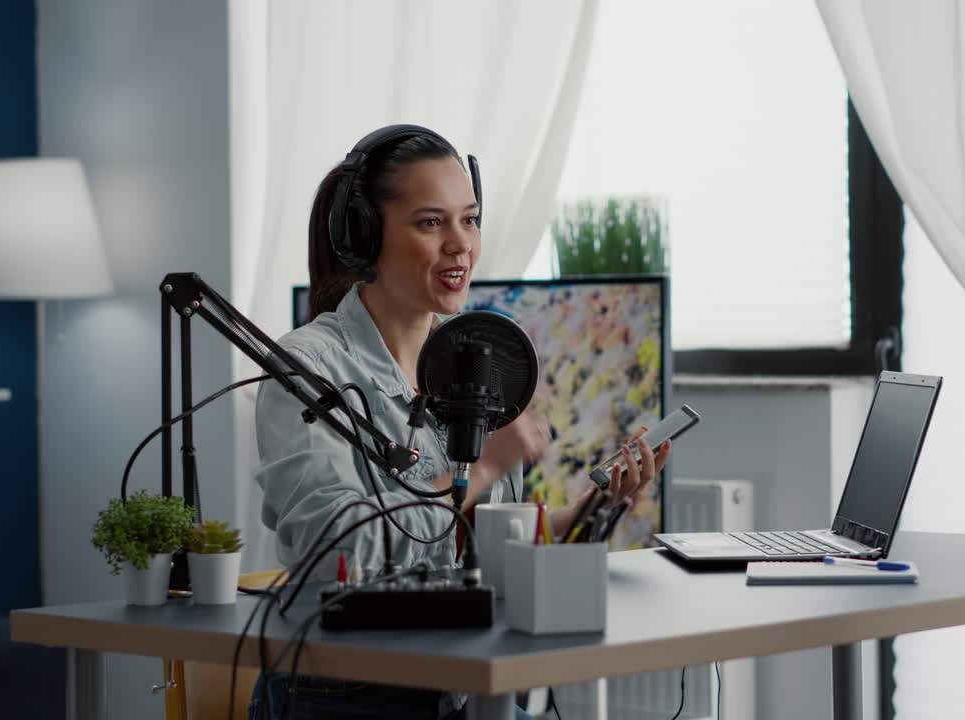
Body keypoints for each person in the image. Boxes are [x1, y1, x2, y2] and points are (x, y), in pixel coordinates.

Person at [249, 125, 671, 720]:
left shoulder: (478, 358)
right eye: (430, 222)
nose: (460, 244)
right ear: (364, 235)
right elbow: (336, 552)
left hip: (457, 690)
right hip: (346, 695)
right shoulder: (308, 367)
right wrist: (487, 466)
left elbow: (470, 549)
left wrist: (582, 516)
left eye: (469, 219)